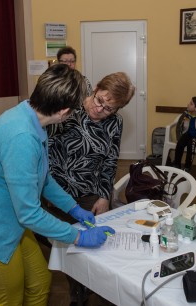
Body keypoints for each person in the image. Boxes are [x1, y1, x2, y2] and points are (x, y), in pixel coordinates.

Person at [0, 64, 115, 305]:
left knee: (39, 282)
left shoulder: (31, 117)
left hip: (9, 221)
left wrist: (73, 209)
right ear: (64, 111)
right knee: (9, 299)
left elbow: (43, 179)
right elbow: (29, 213)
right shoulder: (22, 136)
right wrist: (78, 238)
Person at [46, 72, 135, 305]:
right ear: (95, 88)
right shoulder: (68, 109)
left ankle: (83, 294)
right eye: (99, 100)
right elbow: (45, 151)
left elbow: (110, 161)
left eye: (109, 108)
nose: (100, 109)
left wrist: (105, 196)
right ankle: (78, 292)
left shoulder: (115, 122)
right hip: (54, 190)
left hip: (89, 193)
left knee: (92, 248)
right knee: (69, 248)